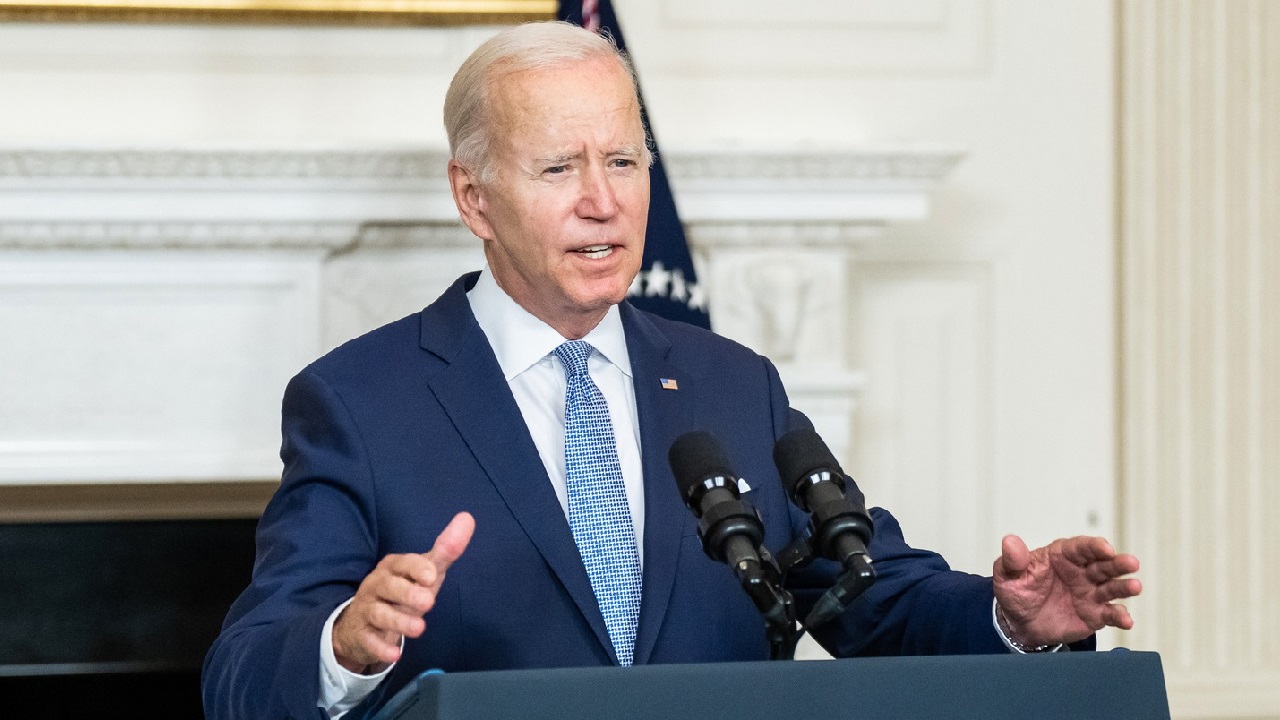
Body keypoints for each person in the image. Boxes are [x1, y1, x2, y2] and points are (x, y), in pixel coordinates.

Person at [201, 20, 1142, 720]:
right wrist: (345, 646)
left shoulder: (733, 384)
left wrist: (1016, 617)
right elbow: (240, 677)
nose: (604, 203)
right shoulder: (362, 402)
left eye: (623, 159)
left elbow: (870, 593)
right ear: (473, 196)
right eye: (559, 169)